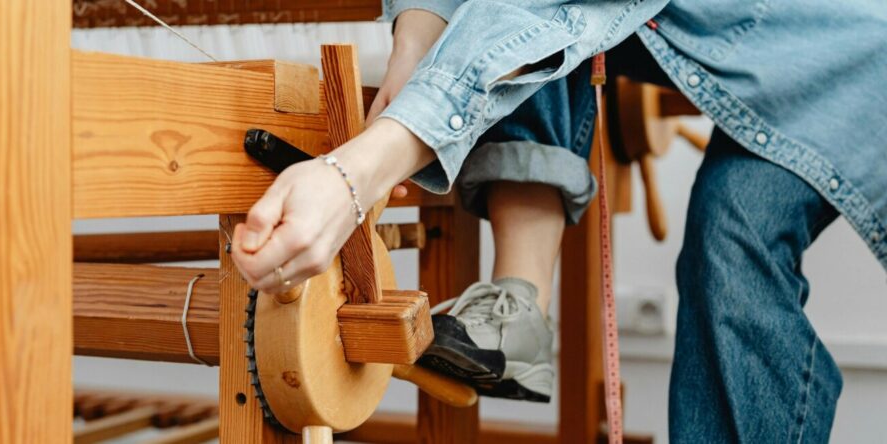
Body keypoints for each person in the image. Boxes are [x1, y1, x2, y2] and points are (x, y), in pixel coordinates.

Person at [231, 1, 887, 441]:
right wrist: (408, 57)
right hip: (726, 38)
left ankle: (519, 309)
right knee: (727, 247)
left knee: (732, 237)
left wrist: (359, 171)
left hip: (846, 50)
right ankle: (516, 306)